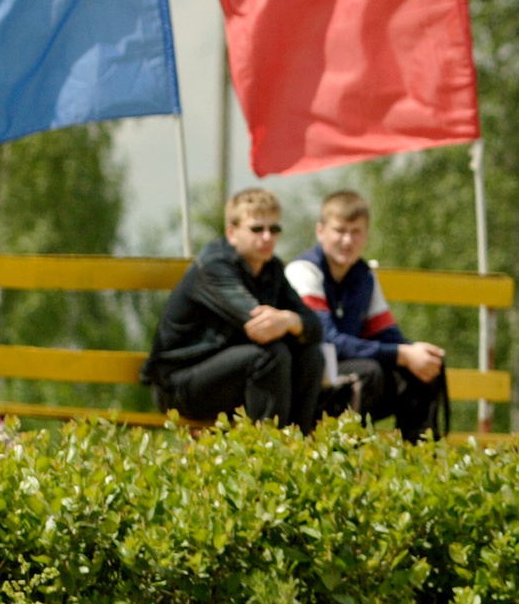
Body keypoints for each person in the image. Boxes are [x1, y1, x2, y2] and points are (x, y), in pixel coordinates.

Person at [144, 187, 326, 432]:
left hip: (233, 375)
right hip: (179, 387)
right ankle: (266, 454)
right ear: (232, 233)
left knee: (311, 356)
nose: (267, 237)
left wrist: (289, 318)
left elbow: (314, 328)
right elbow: (259, 324)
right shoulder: (214, 267)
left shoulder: (271, 268)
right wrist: (289, 322)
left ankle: (296, 450)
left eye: (274, 229)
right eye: (256, 229)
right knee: (271, 355)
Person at [286, 189, 447, 442]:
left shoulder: (364, 276)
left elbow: (387, 333)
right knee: (370, 372)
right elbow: (328, 340)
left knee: (422, 370)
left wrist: (416, 353)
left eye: (356, 232)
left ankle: (422, 461)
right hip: (306, 386)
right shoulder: (303, 271)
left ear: (366, 235)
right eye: (340, 230)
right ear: (321, 232)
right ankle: (346, 458)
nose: (347, 240)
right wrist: (402, 354)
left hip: (346, 376)